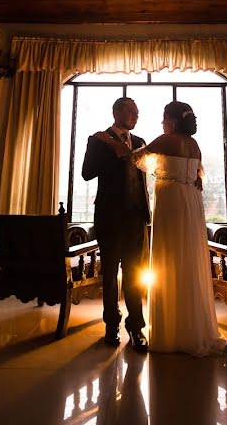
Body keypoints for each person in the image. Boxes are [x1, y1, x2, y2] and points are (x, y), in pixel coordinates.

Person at [93, 100, 227, 356]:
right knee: (187, 261)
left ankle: (166, 328)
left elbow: (131, 156)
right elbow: (198, 176)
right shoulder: (194, 145)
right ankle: (191, 324)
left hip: (172, 206)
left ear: (173, 121)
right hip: (190, 205)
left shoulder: (166, 140)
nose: (161, 122)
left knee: (169, 259)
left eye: (164, 118)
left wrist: (108, 141)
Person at [81, 97, 150, 352]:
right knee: (110, 274)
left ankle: (136, 327)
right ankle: (111, 325)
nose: (135, 115)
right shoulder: (99, 140)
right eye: (131, 111)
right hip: (110, 217)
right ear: (117, 112)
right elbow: (87, 172)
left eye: (137, 112)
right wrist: (114, 153)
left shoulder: (141, 142)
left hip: (136, 218)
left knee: (136, 274)